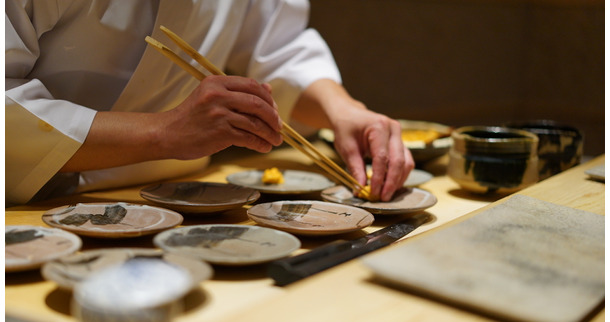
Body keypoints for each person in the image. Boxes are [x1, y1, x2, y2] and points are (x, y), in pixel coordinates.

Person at [5, 0, 413, 206]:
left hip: (181, 199)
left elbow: (279, 48)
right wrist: (164, 132)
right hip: (39, 200)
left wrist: (345, 111)